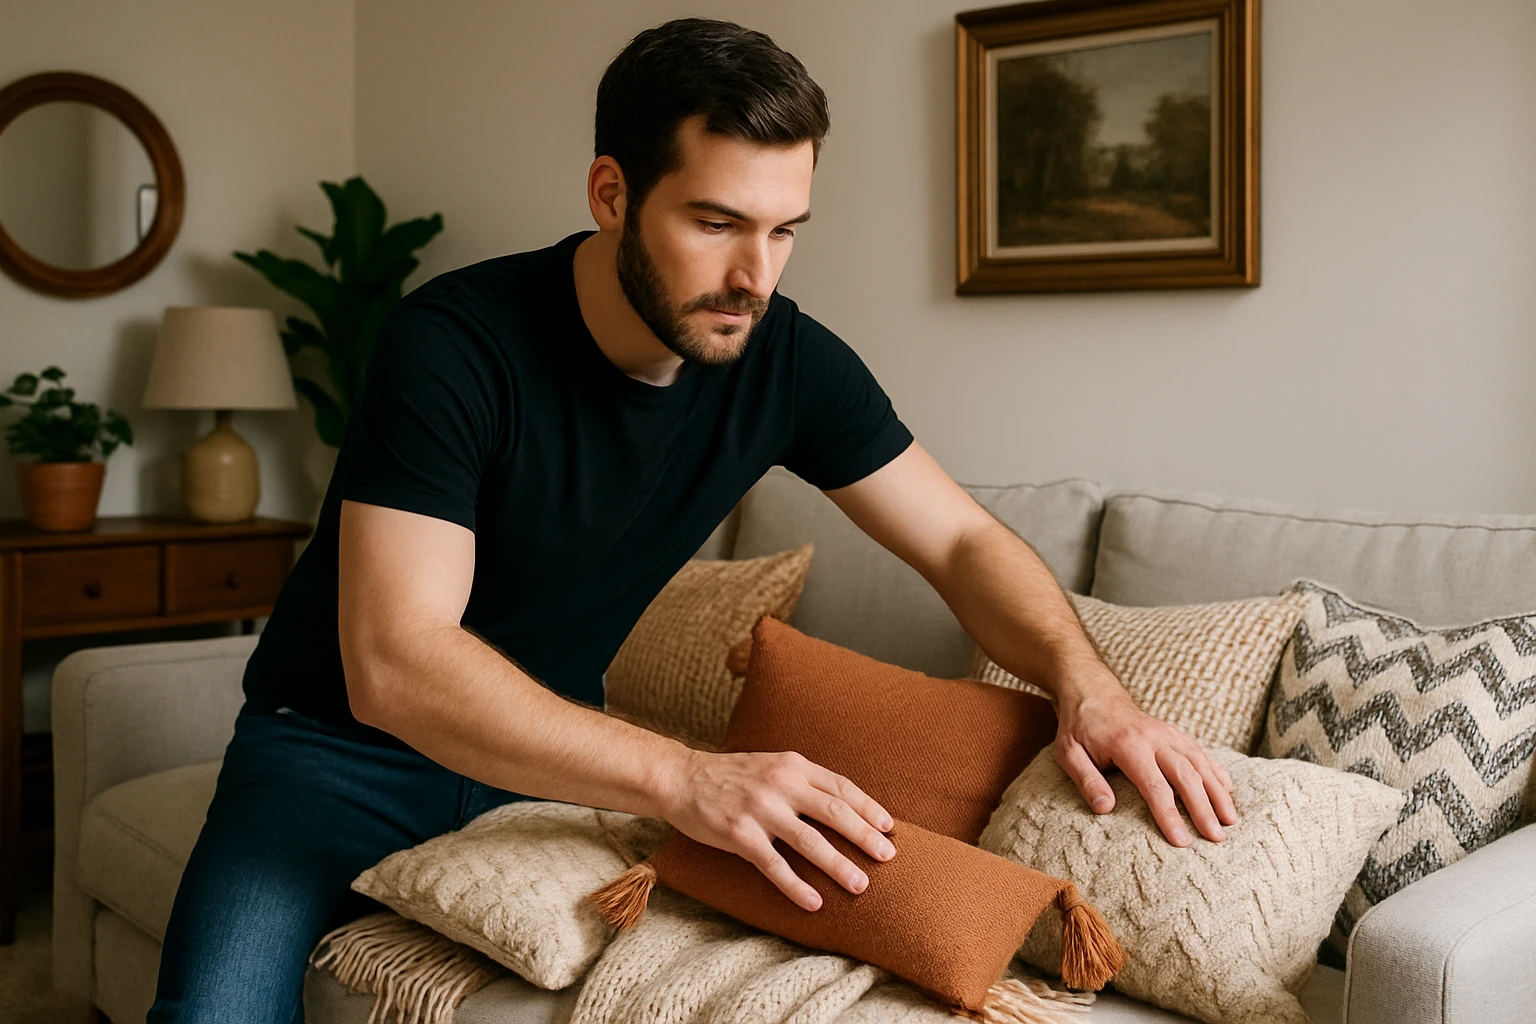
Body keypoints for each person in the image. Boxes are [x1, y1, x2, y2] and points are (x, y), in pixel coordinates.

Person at [147, 17, 1236, 1022]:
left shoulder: (786, 359)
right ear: (611, 192)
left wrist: (1088, 685)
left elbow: (958, 541)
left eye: (783, 230)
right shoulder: (453, 346)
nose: (752, 275)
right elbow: (397, 658)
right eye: (715, 222)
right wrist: (687, 773)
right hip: (339, 755)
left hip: (555, 761)